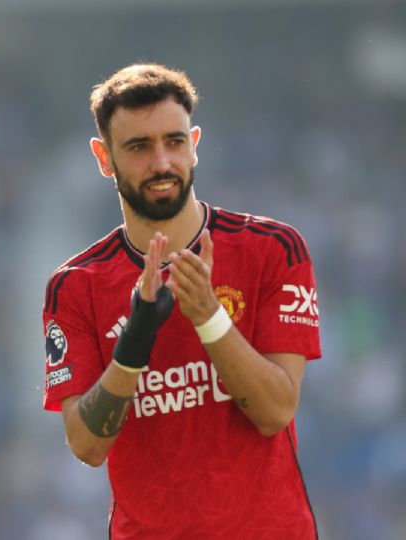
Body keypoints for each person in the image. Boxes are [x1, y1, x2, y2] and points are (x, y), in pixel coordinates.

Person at [42, 64, 320, 538]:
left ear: (194, 144)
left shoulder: (273, 249)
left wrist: (209, 317)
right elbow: (86, 445)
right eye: (138, 147)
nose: (161, 163)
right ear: (103, 157)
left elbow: (275, 412)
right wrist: (135, 339)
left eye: (173, 142)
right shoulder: (75, 285)